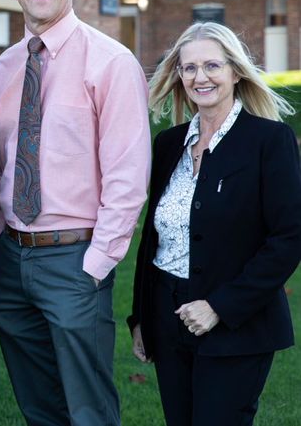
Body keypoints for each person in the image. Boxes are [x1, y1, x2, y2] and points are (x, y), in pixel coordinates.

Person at [0, 0, 151, 426]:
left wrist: (96, 263)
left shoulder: (112, 63)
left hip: (75, 257)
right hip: (11, 260)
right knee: (39, 406)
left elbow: (127, 175)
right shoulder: (3, 69)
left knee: (89, 410)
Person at [128, 22, 301, 426]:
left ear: (235, 71)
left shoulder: (269, 141)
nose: (199, 77)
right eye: (189, 68)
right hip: (167, 318)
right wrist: (142, 318)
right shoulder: (169, 143)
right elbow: (154, 239)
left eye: (211, 66)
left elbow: (290, 237)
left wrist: (219, 307)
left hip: (236, 323)